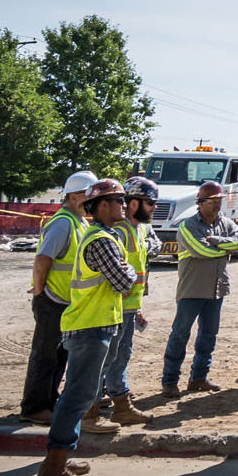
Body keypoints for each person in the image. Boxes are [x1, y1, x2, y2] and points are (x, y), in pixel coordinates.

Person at [36, 179, 138, 476]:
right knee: (77, 397)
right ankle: (54, 470)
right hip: (90, 329)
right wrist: (130, 270)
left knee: (75, 396)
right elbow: (124, 281)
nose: (125, 206)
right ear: (103, 205)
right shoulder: (102, 241)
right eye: (120, 200)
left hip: (92, 326)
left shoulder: (102, 237)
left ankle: (57, 460)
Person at [21, 170, 97, 425]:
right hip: (52, 299)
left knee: (59, 355)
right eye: (89, 197)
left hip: (65, 301)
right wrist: (40, 290)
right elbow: (42, 259)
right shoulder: (63, 223)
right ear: (75, 197)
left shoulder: (79, 222)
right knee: (45, 355)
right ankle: (34, 407)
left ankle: (49, 401)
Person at [162, 180, 238, 398]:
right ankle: (169, 381)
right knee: (180, 335)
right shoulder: (188, 226)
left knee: (208, 336)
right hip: (192, 290)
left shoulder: (225, 223)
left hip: (217, 289)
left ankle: (198, 378)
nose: (217, 205)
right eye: (213, 201)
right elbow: (201, 251)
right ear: (200, 202)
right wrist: (223, 249)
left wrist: (216, 241)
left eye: (219, 200)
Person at [100, 176, 161, 425]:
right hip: (114, 309)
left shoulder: (137, 229)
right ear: (134, 203)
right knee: (108, 357)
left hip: (128, 308)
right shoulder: (121, 232)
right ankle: (93, 407)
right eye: (151, 202)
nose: (155, 207)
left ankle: (119, 401)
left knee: (120, 355)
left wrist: (137, 308)